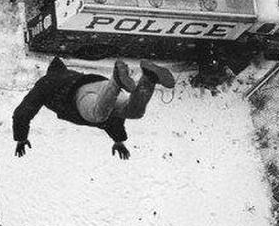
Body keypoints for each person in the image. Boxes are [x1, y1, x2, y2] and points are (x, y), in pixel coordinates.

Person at [13, 58, 175, 159]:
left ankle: (117, 81)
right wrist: (118, 140)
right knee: (133, 111)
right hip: (101, 85)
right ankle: (149, 77)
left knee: (97, 115)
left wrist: (21, 137)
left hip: (81, 95)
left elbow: (24, 111)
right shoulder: (71, 73)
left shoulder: (46, 82)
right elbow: (113, 121)